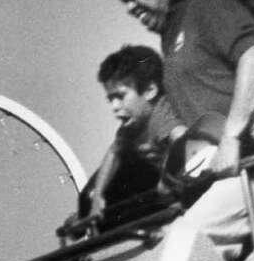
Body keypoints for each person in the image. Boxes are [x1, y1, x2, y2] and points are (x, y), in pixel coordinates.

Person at [113, 0, 254, 261]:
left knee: (179, 248)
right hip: (223, 179)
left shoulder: (205, 4)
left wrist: (232, 138)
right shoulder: (170, 37)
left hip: (253, 170)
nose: (129, 7)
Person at [58, 46, 182, 240]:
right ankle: (87, 223)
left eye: (120, 96)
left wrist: (168, 179)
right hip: (150, 177)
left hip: (168, 179)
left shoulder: (161, 115)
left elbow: (181, 139)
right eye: (111, 99)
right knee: (88, 195)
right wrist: (97, 197)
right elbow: (114, 152)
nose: (115, 107)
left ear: (150, 90)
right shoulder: (132, 125)